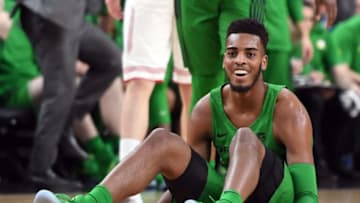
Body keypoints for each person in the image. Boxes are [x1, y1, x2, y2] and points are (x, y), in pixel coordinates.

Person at [33, 19, 318, 203]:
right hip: (229, 196)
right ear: (224, 60)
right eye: (232, 53)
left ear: (264, 62)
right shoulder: (206, 108)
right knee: (162, 140)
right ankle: (88, 202)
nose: (240, 60)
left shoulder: (287, 106)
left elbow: (307, 193)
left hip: (277, 196)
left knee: (244, 138)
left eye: (250, 54)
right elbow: (187, 183)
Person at [15, 0, 122, 190]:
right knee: (61, 90)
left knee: (111, 60)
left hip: (74, 16)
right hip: (52, 15)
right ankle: (39, 169)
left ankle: (65, 125)